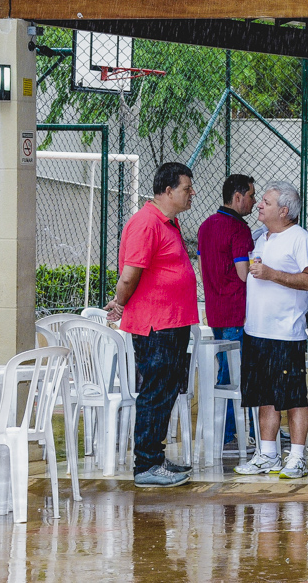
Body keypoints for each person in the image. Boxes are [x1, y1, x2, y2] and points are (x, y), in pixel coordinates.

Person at [105, 162, 199, 488]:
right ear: (169, 190)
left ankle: (155, 458)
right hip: (156, 325)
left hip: (171, 322)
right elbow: (129, 275)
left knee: (166, 389)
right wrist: (119, 302)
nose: (192, 194)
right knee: (155, 390)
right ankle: (145, 464)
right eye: (187, 188)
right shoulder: (146, 223)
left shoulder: (167, 222)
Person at [234, 181, 308, 479]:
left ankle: (296, 457)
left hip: (286, 334)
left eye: (267, 202)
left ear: (284, 211)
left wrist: (272, 275)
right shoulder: (262, 237)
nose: (259, 204)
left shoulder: (300, 239)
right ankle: (267, 454)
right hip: (256, 331)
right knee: (264, 395)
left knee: (293, 396)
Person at [196, 173, 256, 448]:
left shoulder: (206, 226)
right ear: (237, 197)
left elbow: (202, 267)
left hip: (215, 310)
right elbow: (245, 274)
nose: (254, 202)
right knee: (235, 376)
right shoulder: (239, 229)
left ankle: (223, 430)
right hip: (237, 311)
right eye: (251, 196)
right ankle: (229, 432)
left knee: (224, 374)